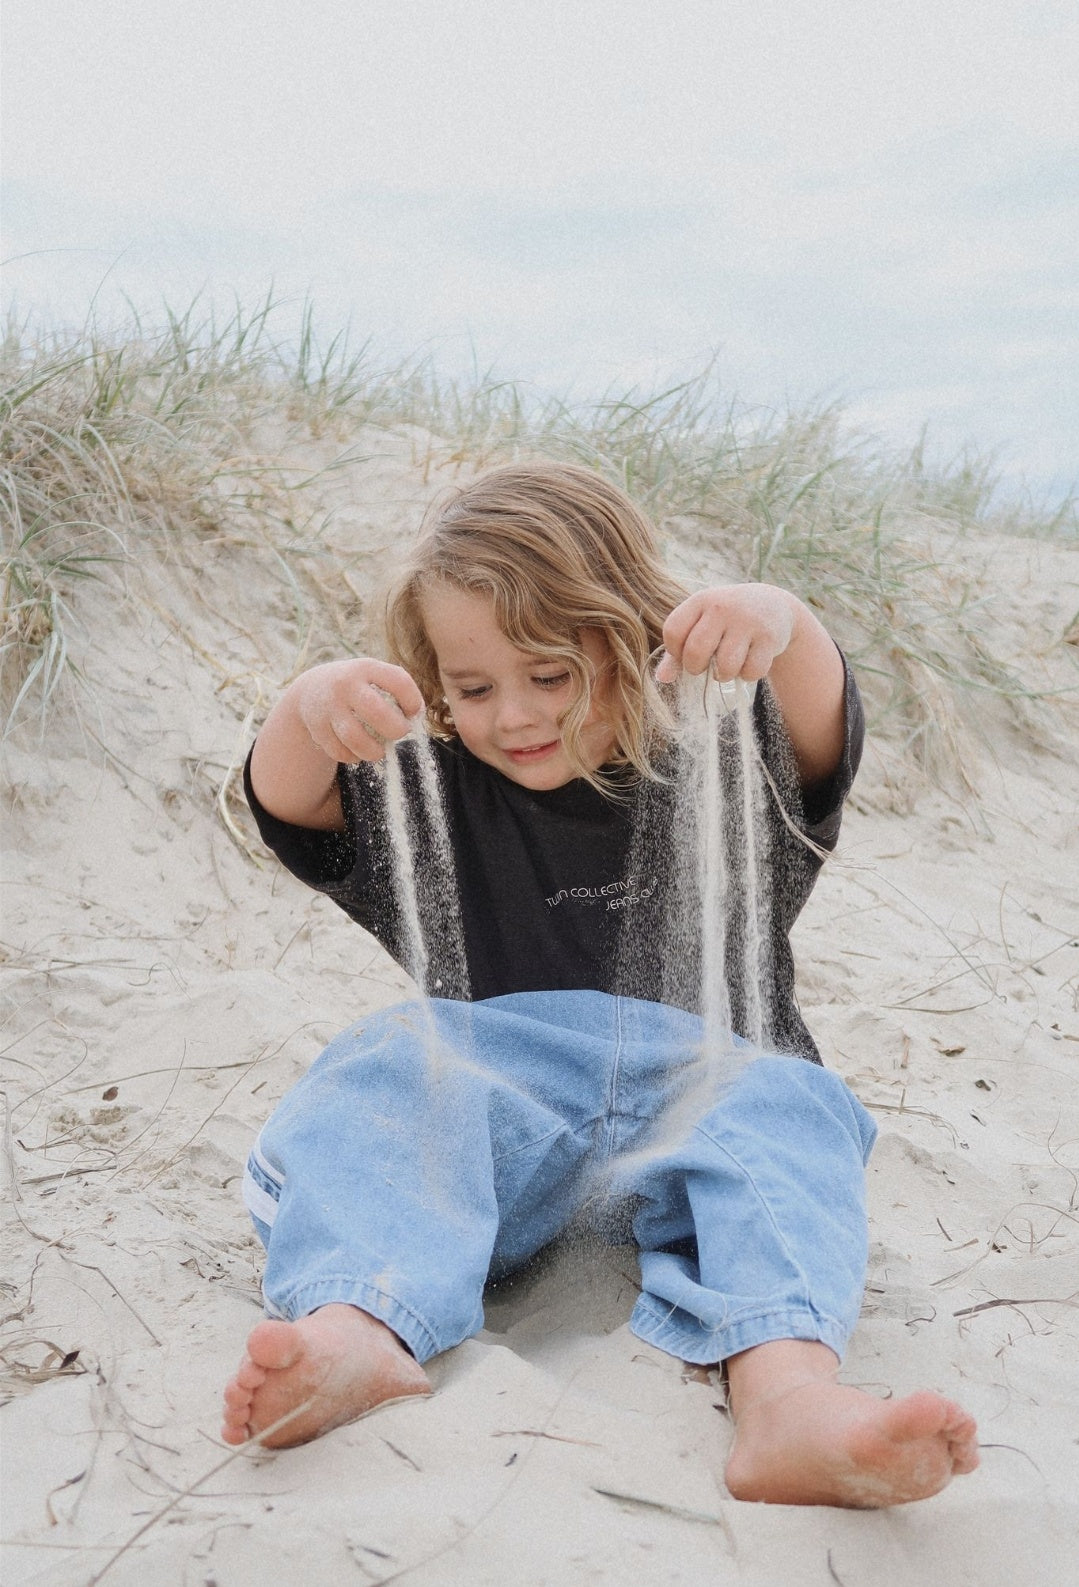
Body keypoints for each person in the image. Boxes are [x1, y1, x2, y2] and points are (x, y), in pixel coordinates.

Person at [221, 462, 979, 1506]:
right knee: (391, 1058)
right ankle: (356, 1326)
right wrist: (308, 707)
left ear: (632, 637)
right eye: (473, 687)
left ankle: (787, 1403)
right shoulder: (433, 806)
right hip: (505, 1142)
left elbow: (813, 725)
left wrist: (781, 620)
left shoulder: (720, 778)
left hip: (704, 1114)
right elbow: (289, 803)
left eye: (550, 674)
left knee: (794, 1103)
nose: (513, 715)